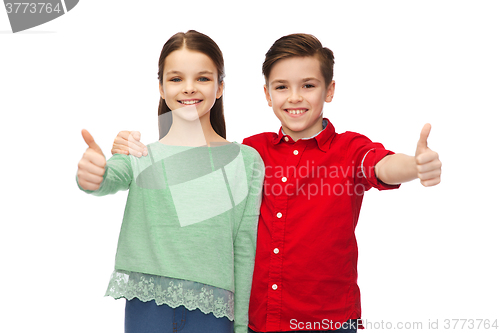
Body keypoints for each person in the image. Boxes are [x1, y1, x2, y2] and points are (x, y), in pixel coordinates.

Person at [111, 33, 442, 333]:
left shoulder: (349, 149)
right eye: (282, 87)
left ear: (329, 90)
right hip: (260, 320)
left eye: (308, 85)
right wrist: (131, 149)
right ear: (267, 94)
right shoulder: (251, 151)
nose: (294, 97)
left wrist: (415, 166)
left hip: (328, 321)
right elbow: (192, 172)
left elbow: (381, 166)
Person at [76, 30, 264, 333]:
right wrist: (93, 175)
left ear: (220, 88)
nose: (189, 88)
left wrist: (241, 326)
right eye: (176, 79)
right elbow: (109, 178)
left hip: (214, 314)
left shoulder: (246, 160)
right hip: (147, 308)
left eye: (202, 78)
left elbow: (244, 249)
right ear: (161, 88)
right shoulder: (139, 153)